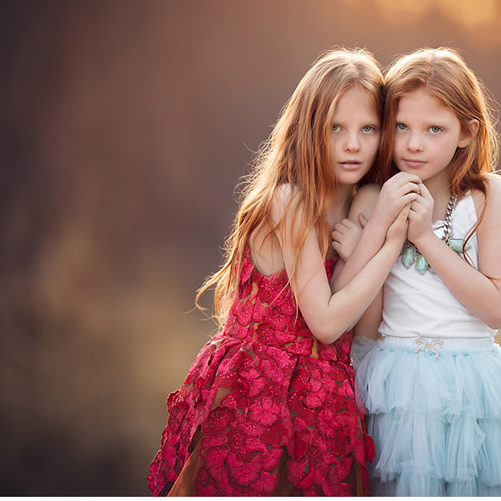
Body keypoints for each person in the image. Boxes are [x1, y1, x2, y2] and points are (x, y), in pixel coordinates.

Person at [146, 48, 418, 496]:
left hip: (325, 403)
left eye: (367, 128)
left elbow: (364, 328)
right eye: (336, 129)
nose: (353, 144)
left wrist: (365, 243)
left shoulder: (361, 202)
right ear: (310, 129)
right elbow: (327, 324)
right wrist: (387, 245)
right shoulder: (289, 201)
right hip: (256, 397)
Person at [332, 47, 501, 496]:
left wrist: (426, 240)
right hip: (399, 387)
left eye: (434, 129)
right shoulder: (374, 199)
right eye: (401, 127)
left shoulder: (485, 196)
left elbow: (496, 309)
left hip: (472, 383)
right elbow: (362, 326)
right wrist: (369, 247)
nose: (414, 144)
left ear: (466, 133)